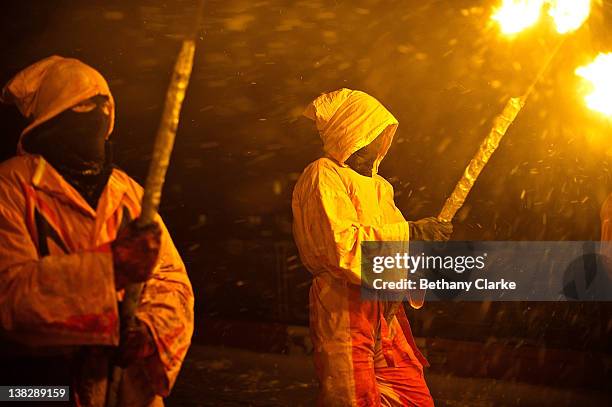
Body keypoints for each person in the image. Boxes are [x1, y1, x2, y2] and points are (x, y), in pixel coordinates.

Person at [0, 56, 194, 406]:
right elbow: (10, 298)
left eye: (105, 105)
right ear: (52, 119)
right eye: (86, 105)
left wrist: (148, 332)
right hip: (39, 389)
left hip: (127, 391)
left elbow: (172, 282)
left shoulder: (131, 193)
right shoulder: (11, 187)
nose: (98, 115)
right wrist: (110, 268)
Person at [292, 88, 452, 406]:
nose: (380, 142)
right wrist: (412, 232)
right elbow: (341, 246)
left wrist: (423, 246)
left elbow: (400, 246)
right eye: (373, 132)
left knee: (413, 397)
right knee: (353, 398)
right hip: (343, 302)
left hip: (386, 309)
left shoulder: (381, 187)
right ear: (351, 133)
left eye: (382, 133)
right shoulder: (323, 174)